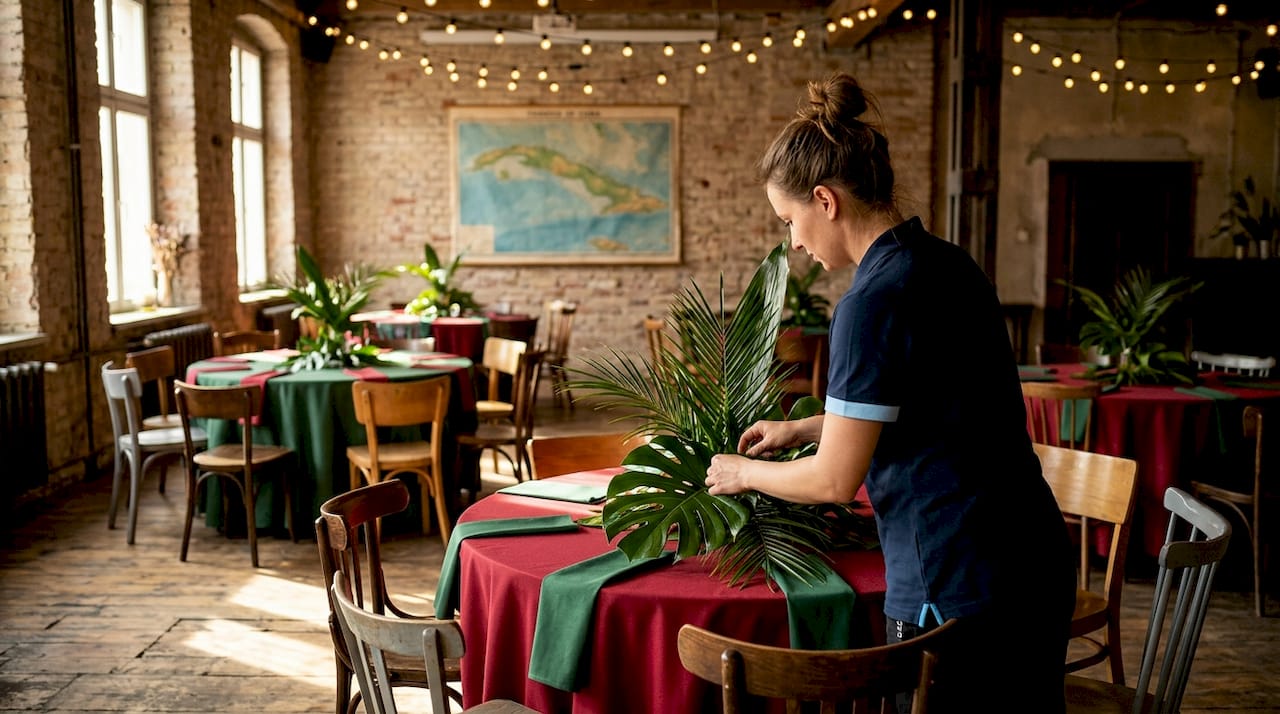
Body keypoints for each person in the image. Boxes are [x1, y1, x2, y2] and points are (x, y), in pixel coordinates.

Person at [704, 73, 1076, 712]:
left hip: (956, 584)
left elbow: (832, 483)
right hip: (1031, 563)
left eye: (789, 220)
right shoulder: (947, 264)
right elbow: (936, 404)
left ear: (825, 200)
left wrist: (741, 473)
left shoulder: (869, 304)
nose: (791, 242)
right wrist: (804, 427)